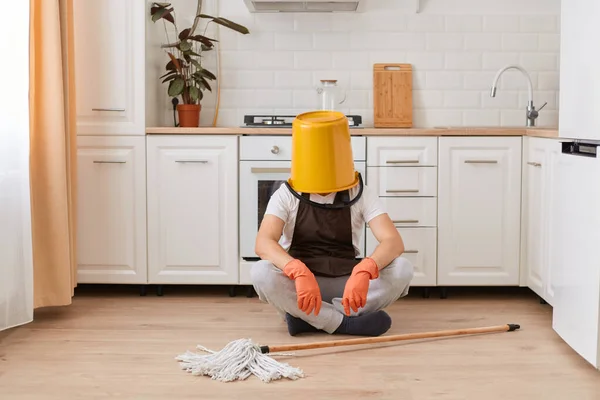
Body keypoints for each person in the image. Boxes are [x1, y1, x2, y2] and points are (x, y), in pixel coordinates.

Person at [250, 111, 414, 337]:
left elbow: (393, 241)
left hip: (347, 285)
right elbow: (263, 242)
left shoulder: (360, 193)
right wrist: (297, 271)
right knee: (261, 272)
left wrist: (365, 270)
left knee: (402, 268)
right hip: (302, 289)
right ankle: (343, 322)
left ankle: (309, 319)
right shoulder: (286, 195)